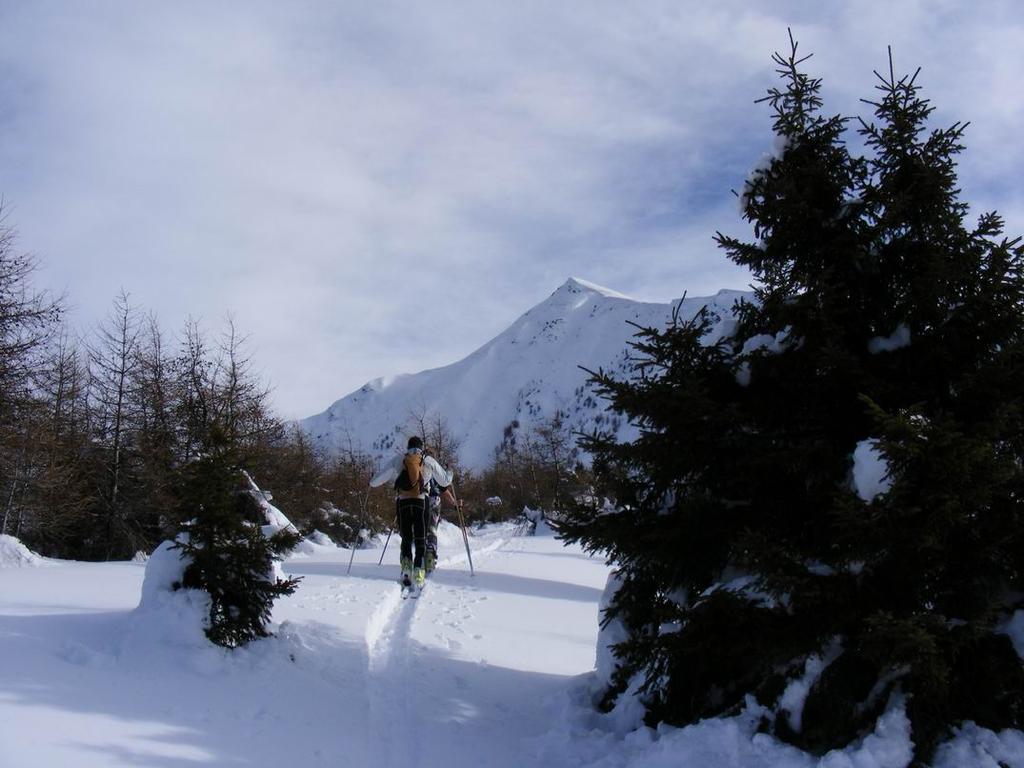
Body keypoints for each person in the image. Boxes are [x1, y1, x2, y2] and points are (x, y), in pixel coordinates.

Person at [370, 436, 455, 589]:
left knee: (407, 537)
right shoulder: (428, 461)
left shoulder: (400, 460)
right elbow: (445, 482)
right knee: (421, 538)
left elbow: (376, 481)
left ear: (408, 447)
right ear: (421, 447)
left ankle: (406, 569)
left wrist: (371, 480)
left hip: (403, 502)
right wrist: (450, 472)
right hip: (422, 502)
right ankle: (418, 571)